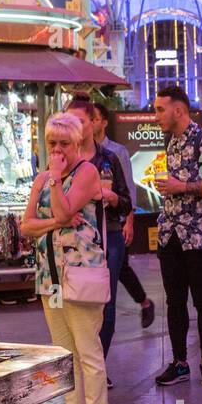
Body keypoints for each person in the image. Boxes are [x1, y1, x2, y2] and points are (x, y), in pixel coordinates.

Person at [21, 112, 108, 404]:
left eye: (64, 143)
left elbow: (63, 210)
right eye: (51, 143)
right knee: (62, 347)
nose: (57, 150)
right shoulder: (41, 178)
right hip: (50, 276)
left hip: (81, 273)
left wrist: (57, 178)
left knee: (87, 345)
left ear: (77, 143)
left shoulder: (87, 172)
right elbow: (26, 225)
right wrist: (57, 221)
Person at [151, 85, 202, 387]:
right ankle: (180, 362)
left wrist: (182, 187)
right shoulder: (171, 142)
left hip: (200, 236)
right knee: (174, 301)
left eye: (159, 110)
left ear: (178, 110)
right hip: (171, 235)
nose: (156, 117)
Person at [66, 98, 132, 362]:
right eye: (69, 121)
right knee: (72, 301)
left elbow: (127, 200)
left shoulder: (109, 158)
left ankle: (98, 363)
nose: (74, 128)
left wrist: (114, 198)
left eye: (79, 121)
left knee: (106, 300)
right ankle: (79, 363)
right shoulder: (62, 159)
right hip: (72, 239)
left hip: (109, 236)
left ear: (93, 122)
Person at [94, 101, 155, 328]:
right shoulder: (83, 153)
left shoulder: (116, 152)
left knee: (116, 269)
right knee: (120, 269)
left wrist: (129, 222)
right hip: (93, 226)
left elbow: (128, 189)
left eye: (94, 119)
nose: (90, 124)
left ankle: (139, 305)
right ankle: (145, 302)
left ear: (104, 122)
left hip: (114, 224)